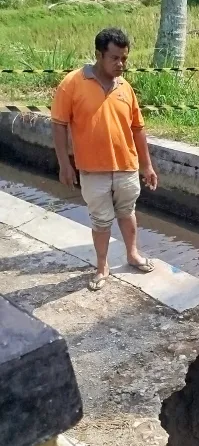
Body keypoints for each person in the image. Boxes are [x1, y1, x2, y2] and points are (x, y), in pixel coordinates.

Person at [51, 27, 159, 291]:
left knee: (127, 212)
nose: (121, 64)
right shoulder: (73, 84)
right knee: (100, 221)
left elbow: (137, 128)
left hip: (126, 166)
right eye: (115, 58)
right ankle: (102, 266)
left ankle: (132, 255)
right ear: (99, 55)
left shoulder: (125, 87)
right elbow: (58, 124)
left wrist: (147, 166)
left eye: (124, 58)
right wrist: (65, 164)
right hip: (92, 170)